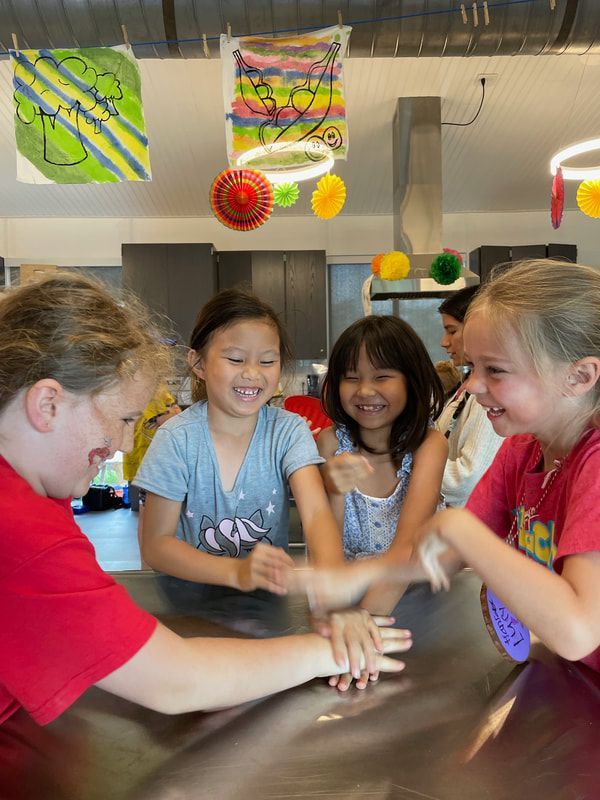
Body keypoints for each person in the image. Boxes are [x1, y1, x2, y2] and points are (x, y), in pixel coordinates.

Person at [0, 273, 411, 726]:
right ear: (47, 405)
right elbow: (177, 680)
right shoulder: (25, 530)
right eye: (121, 419)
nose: (122, 444)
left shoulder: (40, 496)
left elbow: (315, 513)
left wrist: (333, 602)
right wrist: (330, 648)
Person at [301, 260, 600, 673]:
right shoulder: (521, 452)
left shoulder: (595, 467)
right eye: (472, 368)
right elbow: (435, 553)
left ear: (580, 376)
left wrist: (458, 530)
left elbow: (577, 632)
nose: (473, 386)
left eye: (494, 369)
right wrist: (353, 590)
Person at [135, 287, 389, 679]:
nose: (252, 373)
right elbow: (156, 545)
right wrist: (235, 572)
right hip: (184, 604)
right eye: (235, 358)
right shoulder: (177, 439)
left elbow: (317, 513)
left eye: (267, 361)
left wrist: (335, 604)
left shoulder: (287, 431)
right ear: (198, 363)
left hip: (267, 608)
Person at [317, 315, 448, 618]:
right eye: (351, 377)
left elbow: (407, 548)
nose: (364, 391)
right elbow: (326, 553)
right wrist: (334, 491)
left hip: (418, 602)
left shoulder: (429, 446)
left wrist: (363, 631)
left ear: (411, 380)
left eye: (381, 377)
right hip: (349, 604)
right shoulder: (330, 444)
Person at [437, 286, 503, 507]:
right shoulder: (467, 389)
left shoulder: (487, 397)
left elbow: (467, 480)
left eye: (452, 331)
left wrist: (405, 466)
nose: (444, 342)